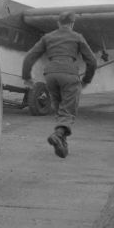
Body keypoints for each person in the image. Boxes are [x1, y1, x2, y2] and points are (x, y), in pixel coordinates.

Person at [22, 11, 97, 158]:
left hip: (50, 75)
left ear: (58, 23)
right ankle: (58, 135)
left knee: (60, 109)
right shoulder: (77, 37)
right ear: (72, 23)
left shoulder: (48, 37)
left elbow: (29, 57)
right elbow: (92, 61)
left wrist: (27, 77)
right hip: (69, 74)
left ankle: (62, 143)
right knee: (68, 111)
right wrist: (87, 80)